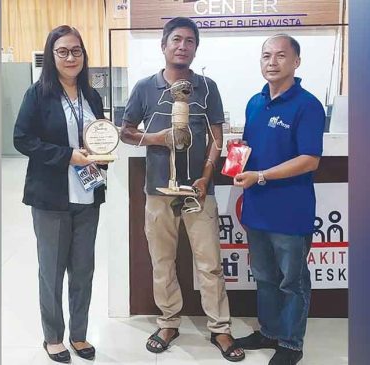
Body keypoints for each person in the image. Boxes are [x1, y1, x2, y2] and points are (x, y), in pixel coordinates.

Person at [120, 17, 245, 362]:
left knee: (210, 263)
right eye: (176, 39)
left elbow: (217, 139)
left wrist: (207, 176)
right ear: (164, 45)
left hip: (198, 191)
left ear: (195, 48)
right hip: (158, 191)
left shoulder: (208, 87)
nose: (183, 46)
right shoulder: (146, 88)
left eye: (190, 41)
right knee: (162, 261)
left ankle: (220, 328)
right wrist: (157, 138)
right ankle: (168, 322)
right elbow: (125, 131)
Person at [13, 25, 107, 363]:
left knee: (83, 270)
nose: (70, 57)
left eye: (76, 51)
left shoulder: (92, 96)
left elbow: (100, 136)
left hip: (87, 194)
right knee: (51, 271)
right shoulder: (37, 94)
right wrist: (67, 155)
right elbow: (22, 139)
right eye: (62, 51)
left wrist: (99, 154)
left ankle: (79, 335)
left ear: (84, 55)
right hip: (50, 197)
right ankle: (53, 336)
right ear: (52, 56)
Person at [232, 34, 325, 365]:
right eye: (266, 56)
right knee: (265, 276)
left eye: (280, 56)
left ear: (296, 62)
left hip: (290, 211)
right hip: (257, 209)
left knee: (292, 281)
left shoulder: (308, 105)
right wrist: (235, 155)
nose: (272, 62)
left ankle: (290, 342)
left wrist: (261, 175)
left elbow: (309, 159)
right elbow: (250, 147)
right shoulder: (254, 102)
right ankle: (269, 331)